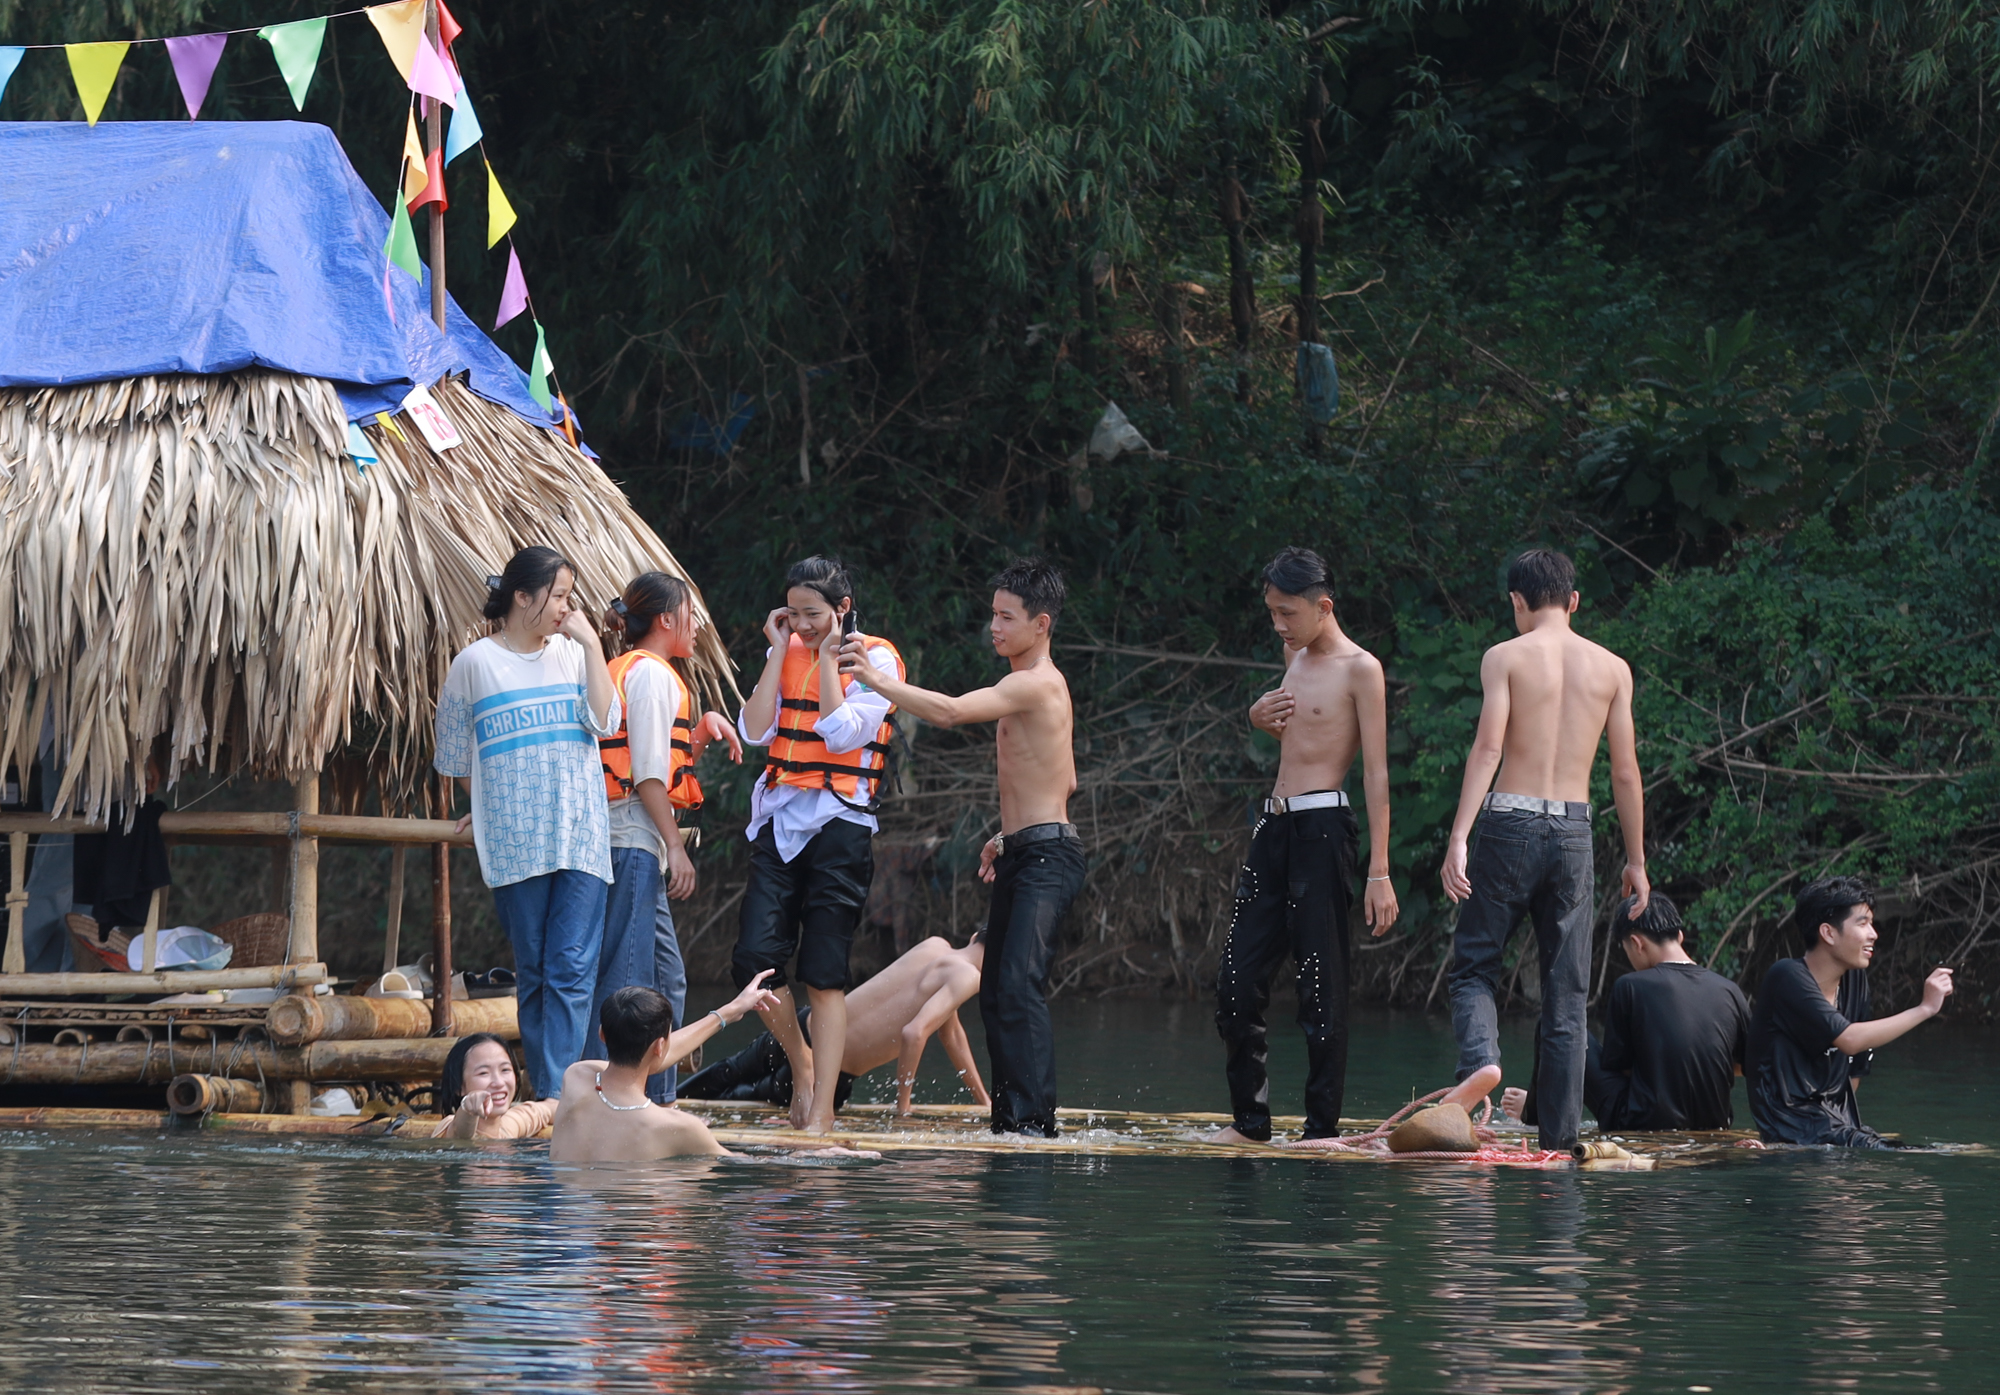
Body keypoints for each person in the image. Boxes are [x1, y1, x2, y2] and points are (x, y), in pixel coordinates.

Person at [840, 558, 1080, 1138]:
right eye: (992, 614)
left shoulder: (1035, 683)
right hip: (1028, 849)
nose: (993, 627)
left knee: (1017, 989)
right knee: (997, 993)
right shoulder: (1025, 686)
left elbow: (948, 712)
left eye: (1006, 617)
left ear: (1041, 624)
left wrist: (874, 680)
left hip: (1048, 857)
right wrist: (1009, 834)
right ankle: (1012, 1120)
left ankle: (1032, 1125)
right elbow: (1064, 780)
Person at [1440, 547, 1648, 1153]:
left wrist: (1459, 835)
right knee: (1567, 994)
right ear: (1574, 601)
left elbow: (1488, 749)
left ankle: (1481, 1065)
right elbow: (1626, 772)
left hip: (1508, 825)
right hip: (1575, 832)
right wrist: (1635, 861)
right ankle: (1558, 1142)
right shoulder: (1613, 668)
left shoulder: (1505, 657)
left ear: (1517, 602)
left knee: (1475, 965)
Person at [1212, 547, 1398, 1145]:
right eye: (1271, 612)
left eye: (1287, 612)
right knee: (1235, 985)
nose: (1278, 625)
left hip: (1323, 832)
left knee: (1322, 987)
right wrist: (1254, 713)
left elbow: (1376, 773)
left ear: (1324, 607)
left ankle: (1321, 1129)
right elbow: (1278, 721)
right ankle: (1251, 1124)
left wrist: (1380, 869)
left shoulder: (1361, 668)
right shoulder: (1293, 654)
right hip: (1273, 829)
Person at [435, 546, 620, 1100]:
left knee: (569, 968)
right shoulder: (474, 663)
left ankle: (561, 1097)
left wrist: (591, 643)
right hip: (516, 844)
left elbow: (606, 721)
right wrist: (487, 800)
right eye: (558, 595)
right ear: (523, 596)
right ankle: (551, 1092)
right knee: (536, 971)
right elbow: (452, 757)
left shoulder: (573, 652)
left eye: (568, 596)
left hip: (582, 837)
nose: (567, 607)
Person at [733, 557, 905, 1134]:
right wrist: (781, 650)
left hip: (841, 823)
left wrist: (829, 657)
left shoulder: (877, 659)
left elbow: (840, 732)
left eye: (814, 615)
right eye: (793, 614)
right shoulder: (784, 651)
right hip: (780, 819)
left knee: (825, 973)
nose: (803, 625)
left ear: (842, 610)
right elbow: (755, 731)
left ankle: (823, 1109)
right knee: (753, 960)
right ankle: (802, 1065)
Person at [594, 571, 741, 1103]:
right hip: (633, 838)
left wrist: (700, 730)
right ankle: (625, 1106)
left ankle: (659, 1101)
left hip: (634, 838)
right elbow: (650, 776)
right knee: (632, 984)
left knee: (666, 982)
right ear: (664, 620)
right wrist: (676, 846)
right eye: (690, 613)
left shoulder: (630, 669)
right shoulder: (652, 675)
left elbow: (664, 761)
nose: (697, 625)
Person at [1504, 894, 1749, 1132]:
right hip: (1716, 1121)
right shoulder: (1730, 990)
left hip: (1639, 1121)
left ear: (1636, 943)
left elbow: (1619, 1068)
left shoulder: (1631, 986)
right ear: (1680, 936)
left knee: (1553, 1022)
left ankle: (1533, 1111)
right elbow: (1745, 1065)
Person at [681, 933, 989, 1117]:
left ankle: (656, 1102)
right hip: (829, 1074)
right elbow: (914, 1033)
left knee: (727, 1072)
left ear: (975, 937)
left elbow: (952, 1035)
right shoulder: (969, 977)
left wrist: (983, 1101)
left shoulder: (936, 947)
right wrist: (903, 1107)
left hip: (800, 1027)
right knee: (734, 1101)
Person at [1746, 876, 1954, 1148]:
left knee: (1950, 1150)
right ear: (1828, 933)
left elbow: (1854, 1068)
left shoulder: (1855, 979)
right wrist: (1925, 1008)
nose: (1874, 934)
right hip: (1794, 1132)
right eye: (1863, 923)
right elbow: (1850, 1039)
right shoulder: (1787, 977)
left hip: (1838, 1130)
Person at [549, 976, 782, 1162]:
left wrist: (729, 1012)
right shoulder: (677, 1126)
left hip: (563, 1213)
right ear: (660, 1045)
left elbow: (641, 1065)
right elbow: (740, 1161)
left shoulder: (577, 1076)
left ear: (601, 1034)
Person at [435, 1033, 558, 1139]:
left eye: (505, 1070)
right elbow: (460, 1135)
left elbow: (545, 1110)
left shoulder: (508, 1126)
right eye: (483, 1073)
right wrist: (468, 1108)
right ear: (459, 1087)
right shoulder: (447, 1127)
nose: (499, 1083)